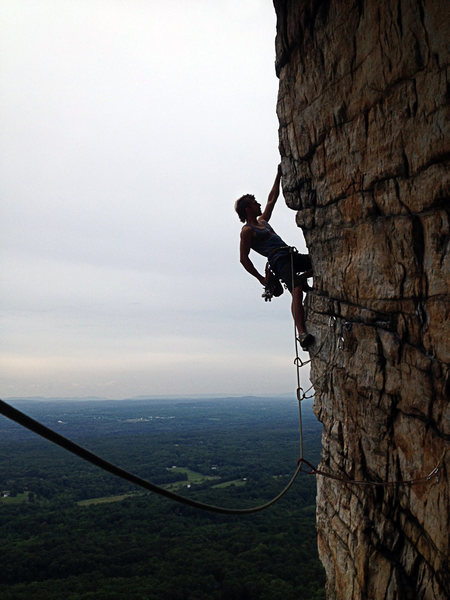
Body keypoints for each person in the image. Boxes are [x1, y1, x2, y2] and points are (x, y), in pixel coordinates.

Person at [235, 165, 314, 350]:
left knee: (319, 263)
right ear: (248, 208)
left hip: (289, 254)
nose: (259, 204)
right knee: (296, 289)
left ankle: (302, 278)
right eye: (255, 202)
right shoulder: (247, 231)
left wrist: (278, 175)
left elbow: (272, 200)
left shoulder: (262, 222)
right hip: (278, 261)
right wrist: (261, 279)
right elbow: (243, 258)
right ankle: (302, 334)